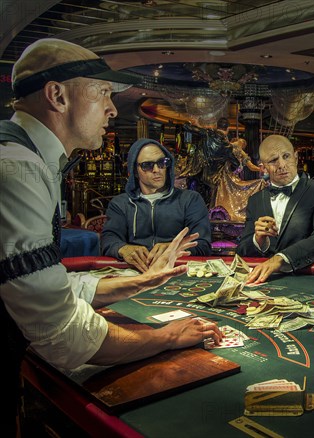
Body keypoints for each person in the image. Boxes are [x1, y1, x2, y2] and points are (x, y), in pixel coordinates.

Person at [0, 38, 222, 434]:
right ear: (57, 96)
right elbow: (61, 333)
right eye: (102, 92)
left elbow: (36, 283)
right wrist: (166, 337)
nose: (112, 108)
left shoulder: (26, 158)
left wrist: (128, 285)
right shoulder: (18, 169)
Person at [236, 134, 314, 284]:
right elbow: (242, 250)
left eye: (286, 156)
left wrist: (280, 259)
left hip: (310, 279)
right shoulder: (255, 200)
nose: (282, 164)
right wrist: (258, 240)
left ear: (296, 157)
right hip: (265, 283)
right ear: (263, 167)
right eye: (273, 160)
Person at [101, 138, 212, 271]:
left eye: (162, 163)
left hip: (177, 270)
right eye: (147, 165)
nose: (156, 169)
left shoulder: (190, 199)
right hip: (134, 271)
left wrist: (173, 248)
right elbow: (108, 240)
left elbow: (203, 244)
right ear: (135, 171)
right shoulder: (121, 203)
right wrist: (123, 249)